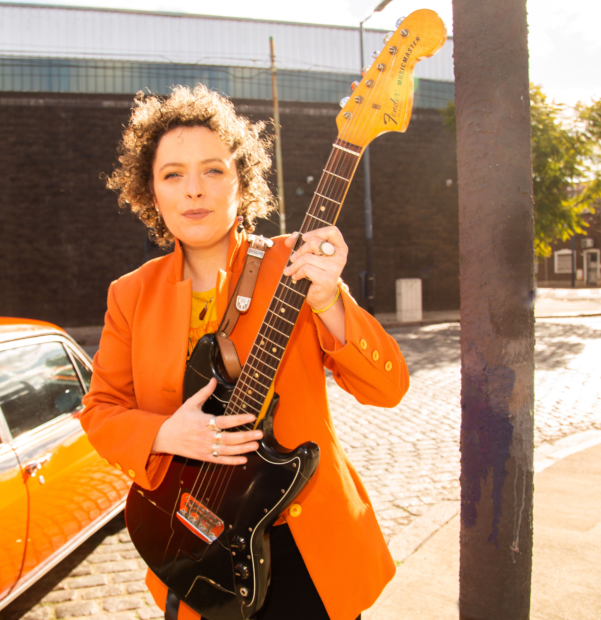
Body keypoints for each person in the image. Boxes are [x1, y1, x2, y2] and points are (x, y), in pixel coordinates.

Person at [80, 85, 409, 620]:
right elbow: (101, 411)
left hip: (307, 546)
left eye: (213, 170)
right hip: (195, 547)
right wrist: (166, 435)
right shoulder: (131, 294)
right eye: (172, 175)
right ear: (152, 193)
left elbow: (387, 388)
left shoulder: (297, 264)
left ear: (242, 181)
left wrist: (328, 300)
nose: (194, 189)